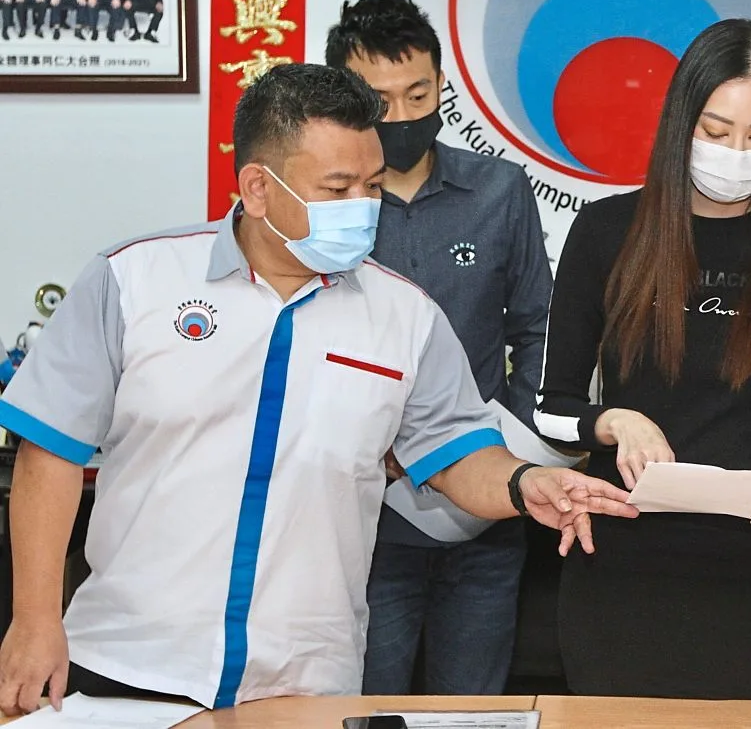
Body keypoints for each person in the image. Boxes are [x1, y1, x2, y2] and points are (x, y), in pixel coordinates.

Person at [0, 63, 636, 716]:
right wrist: (34, 618)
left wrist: (526, 483)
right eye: (338, 188)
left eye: (372, 185)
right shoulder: (134, 281)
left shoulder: (405, 316)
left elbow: (456, 452)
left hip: (305, 679)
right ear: (258, 188)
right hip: (129, 660)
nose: (363, 206)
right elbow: (50, 450)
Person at [536, 18, 751, 700]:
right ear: (681, 124)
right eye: (716, 131)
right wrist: (613, 420)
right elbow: (552, 411)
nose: (737, 154)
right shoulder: (606, 231)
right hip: (620, 566)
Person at [325, 0, 553, 697]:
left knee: (472, 706)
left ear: (442, 87)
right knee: (365, 703)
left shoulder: (499, 190)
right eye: (378, 100)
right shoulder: (327, 210)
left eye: (418, 94)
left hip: (485, 511)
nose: (399, 115)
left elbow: (538, 328)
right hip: (364, 519)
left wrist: (507, 444)